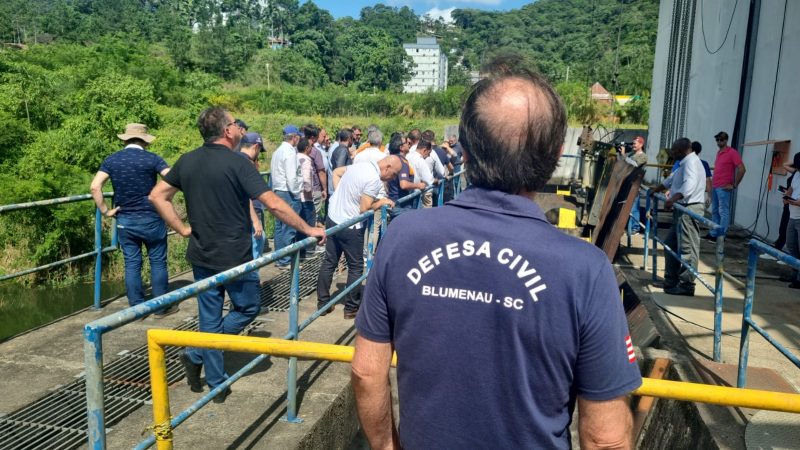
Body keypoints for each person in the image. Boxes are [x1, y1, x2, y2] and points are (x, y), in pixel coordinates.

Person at [352, 67, 641, 449]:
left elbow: (366, 372)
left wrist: (386, 446)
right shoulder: (585, 269)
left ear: (466, 150)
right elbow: (605, 438)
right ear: (555, 156)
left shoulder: (403, 237)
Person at [148, 107, 325, 402]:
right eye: (235, 124)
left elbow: (157, 195)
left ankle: (212, 379)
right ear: (227, 130)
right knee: (247, 307)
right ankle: (196, 354)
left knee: (209, 318)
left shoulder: (187, 160)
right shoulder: (240, 163)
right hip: (234, 256)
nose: (240, 129)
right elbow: (273, 204)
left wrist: (181, 229)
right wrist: (307, 228)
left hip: (202, 254)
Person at [90, 123, 174, 315]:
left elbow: (95, 187)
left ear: (125, 139)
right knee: (158, 261)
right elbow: (172, 179)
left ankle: (137, 308)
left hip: (125, 220)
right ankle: (160, 308)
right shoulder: (153, 159)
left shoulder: (112, 160)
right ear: (145, 141)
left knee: (132, 262)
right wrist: (165, 199)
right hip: (152, 218)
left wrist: (105, 211)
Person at [317, 157, 401, 320]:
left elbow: (337, 172)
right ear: (388, 167)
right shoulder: (374, 180)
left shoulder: (361, 164)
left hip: (333, 218)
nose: (393, 178)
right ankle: (351, 308)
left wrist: (340, 194)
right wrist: (382, 201)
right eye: (394, 174)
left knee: (329, 261)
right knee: (355, 266)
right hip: (350, 226)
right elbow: (364, 208)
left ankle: (323, 303)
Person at [651, 138, 706, 296]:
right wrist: (656, 189)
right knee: (671, 245)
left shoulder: (691, 163)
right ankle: (671, 279)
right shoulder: (684, 163)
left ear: (683, 150)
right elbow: (671, 180)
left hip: (690, 208)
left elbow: (689, 185)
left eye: (675, 151)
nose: (673, 154)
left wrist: (672, 199)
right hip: (681, 208)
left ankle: (687, 284)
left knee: (687, 247)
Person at [270, 125, 303, 269]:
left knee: (279, 227)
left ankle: (279, 258)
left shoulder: (277, 151)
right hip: (288, 193)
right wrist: (296, 194)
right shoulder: (289, 153)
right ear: (294, 137)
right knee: (289, 226)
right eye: (298, 137)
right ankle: (285, 261)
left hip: (278, 191)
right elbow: (291, 178)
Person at [706, 131, 746, 239]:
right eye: (717, 140)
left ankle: (721, 236)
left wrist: (734, 185)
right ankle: (714, 233)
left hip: (724, 187)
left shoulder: (732, 152)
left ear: (726, 140)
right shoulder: (719, 153)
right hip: (715, 185)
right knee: (715, 210)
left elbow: (742, 169)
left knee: (723, 211)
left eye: (721, 139)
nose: (719, 141)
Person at [237, 132, 268, 258]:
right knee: (257, 241)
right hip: (252, 210)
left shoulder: (235, 158)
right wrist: (255, 220)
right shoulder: (246, 163)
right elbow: (246, 193)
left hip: (240, 213)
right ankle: (252, 277)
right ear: (256, 147)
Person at [386, 134, 425, 219]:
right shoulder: (402, 162)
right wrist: (419, 185)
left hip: (394, 201)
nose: (409, 144)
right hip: (402, 205)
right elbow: (404, 185)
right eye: (406, 142)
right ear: (401, 148)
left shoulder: (391, 159)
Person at [619, 136, 647, 233]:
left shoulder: (643, 156)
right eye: (633, 143)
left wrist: (624, 155)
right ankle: (628, 226)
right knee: (627, 206)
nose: (633, 145)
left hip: (635, 185)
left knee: (634, 207)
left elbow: (634, 164)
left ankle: (635, 227)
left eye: (635, 143)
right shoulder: (631, 154)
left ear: (641, 144)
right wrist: (622, 155)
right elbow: (623, 162)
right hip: (627, 183)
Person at [296, 138, 317, 259]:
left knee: (300, 223)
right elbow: (306, 178)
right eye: (310, 147)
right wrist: (309, 192)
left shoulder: (295, 157)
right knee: (309, 222)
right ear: (307, 148)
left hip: (298, 196)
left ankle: (301, 251)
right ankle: (308, 251)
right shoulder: (307, 160)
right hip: (306, 197)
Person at [782, 153, 800, 288]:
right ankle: (794, 273)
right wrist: (786, 196)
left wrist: (796, 203)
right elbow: (791, 188)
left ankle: (799, 279)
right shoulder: (797, 174)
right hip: (792, 216)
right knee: (791, 245)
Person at [691, 141, 713, 209]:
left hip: (685, 198)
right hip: (699, 198)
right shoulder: (704, 164)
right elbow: (708, 180)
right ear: (699, 151)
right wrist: (709, 197)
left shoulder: (684, 162)